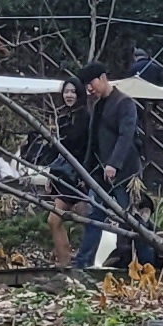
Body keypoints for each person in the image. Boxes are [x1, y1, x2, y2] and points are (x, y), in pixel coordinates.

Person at [55, 61, 143, 271]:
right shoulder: (97, 105)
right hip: (99, 173)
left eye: (91, 83)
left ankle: (130, 261)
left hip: (124, 173)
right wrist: (85, 171)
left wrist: (114, 163)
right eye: (86, 85)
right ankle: (84, 262)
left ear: (103, 78)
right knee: (94, 216)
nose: (89, 89)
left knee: (128, 217)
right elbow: (92, 140)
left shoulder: (125, 103)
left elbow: (125, 136)